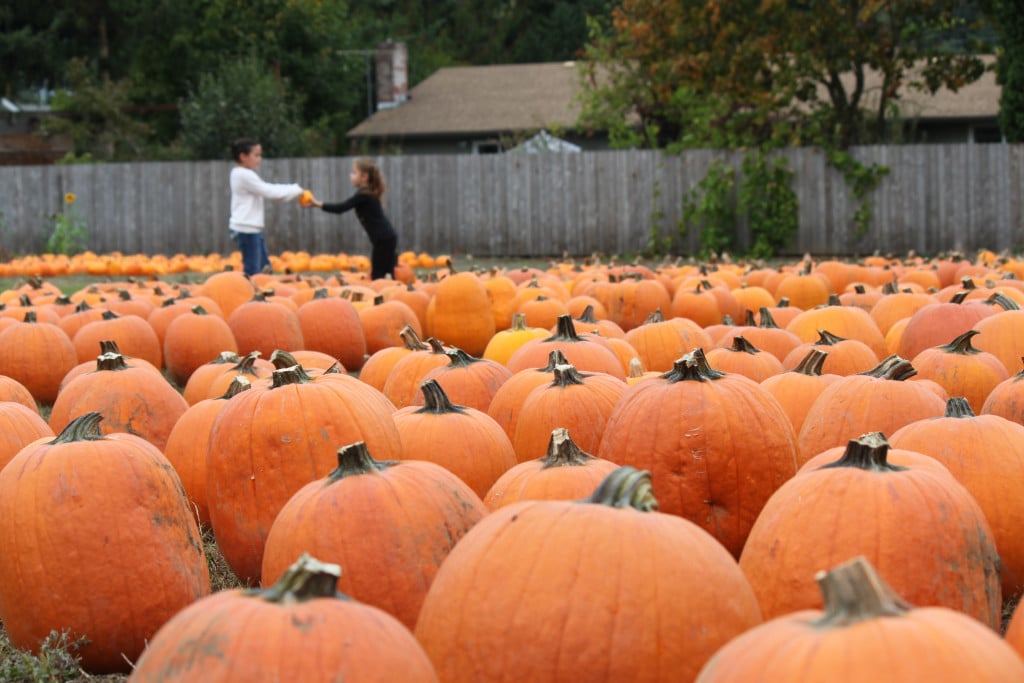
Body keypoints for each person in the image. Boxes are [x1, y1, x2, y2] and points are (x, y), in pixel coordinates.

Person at [228, 137, 307, 276]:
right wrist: (296, 189)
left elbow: (267, 189)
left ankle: (262, 293)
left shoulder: (242, 174)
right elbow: (270, 192)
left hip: (252, 228)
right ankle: (251, 295)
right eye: (256, 155)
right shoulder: (243, 175)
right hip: (246, 228)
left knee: (265, 269)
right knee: (254, 271)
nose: (260, 158)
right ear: (243, 156)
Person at [310, 158, 398, 280]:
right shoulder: (367, 194)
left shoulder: (363, 196)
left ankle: (388, 295)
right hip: (387, 237)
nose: (351, 176)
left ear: (364, 177)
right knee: (387, 274)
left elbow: (340, 208)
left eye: (354, 172)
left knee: (378, 276)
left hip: (383, 239)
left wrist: (317, 204)